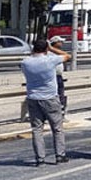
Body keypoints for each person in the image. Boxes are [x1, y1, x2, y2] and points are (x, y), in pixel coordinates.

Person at [21, 38, 71, 166]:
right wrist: (52, 48)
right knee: (57, 128)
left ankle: (40, 158)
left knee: (37, 129)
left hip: (33, 98)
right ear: (46, 49)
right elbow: (67, 56)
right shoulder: (50, 60)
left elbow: (31, 58)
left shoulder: (25, 62)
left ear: (33, 48)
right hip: (50, 98)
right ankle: (60, 155)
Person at [48, 36, 68, 121]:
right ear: (55, 43)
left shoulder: (59, 53)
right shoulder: (49, 53)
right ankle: (51, 115)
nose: (61, 43)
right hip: (52, 77)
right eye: (60, 42)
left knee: (61, 95)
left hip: (59, 76)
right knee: (53, 97)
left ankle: (61, 114)